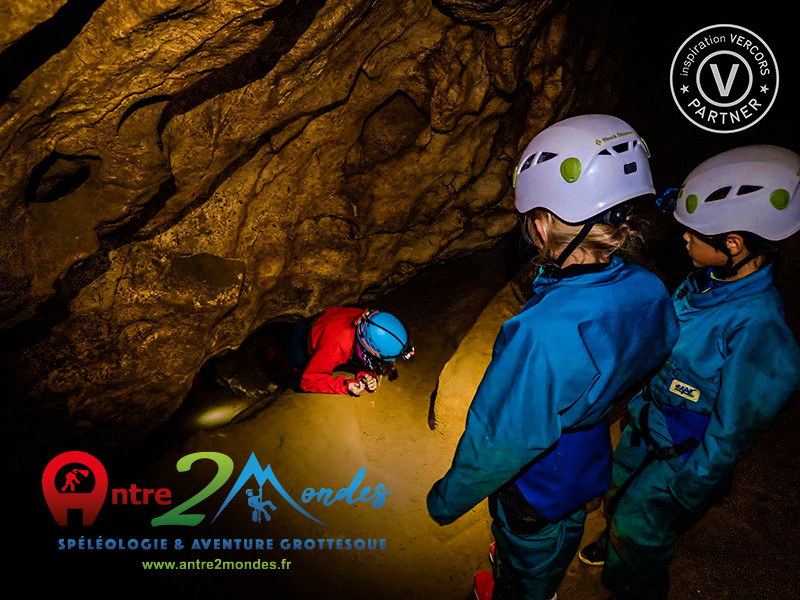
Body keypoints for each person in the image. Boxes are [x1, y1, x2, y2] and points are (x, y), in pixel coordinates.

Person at [426, 114, 680, 600]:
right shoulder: (649, 287)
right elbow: (656, 353)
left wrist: (447, 498)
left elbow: (501, 438)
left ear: (541, 227)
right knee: (559, 540)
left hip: (536, 484)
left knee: (527, 557)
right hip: (587, 461)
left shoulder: (541, 332)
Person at [586, 145, 800, 600]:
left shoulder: (759, 329)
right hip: (648, 427)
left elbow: (736, 427)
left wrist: (690, 487)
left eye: (693, 233)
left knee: (640, 528)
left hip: (683, 453)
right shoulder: (706, 280)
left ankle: (634, 572)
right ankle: (620, 532)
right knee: (619, 490)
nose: (683, 239)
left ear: (733, 245)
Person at [285, 306, 414, 395]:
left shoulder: (369, 319)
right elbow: (309, 381)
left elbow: (361, 355)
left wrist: (366, 375)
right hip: (305, 339)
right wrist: (346, 386)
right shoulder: (337, 346)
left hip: (326, 320)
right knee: (293, 367)